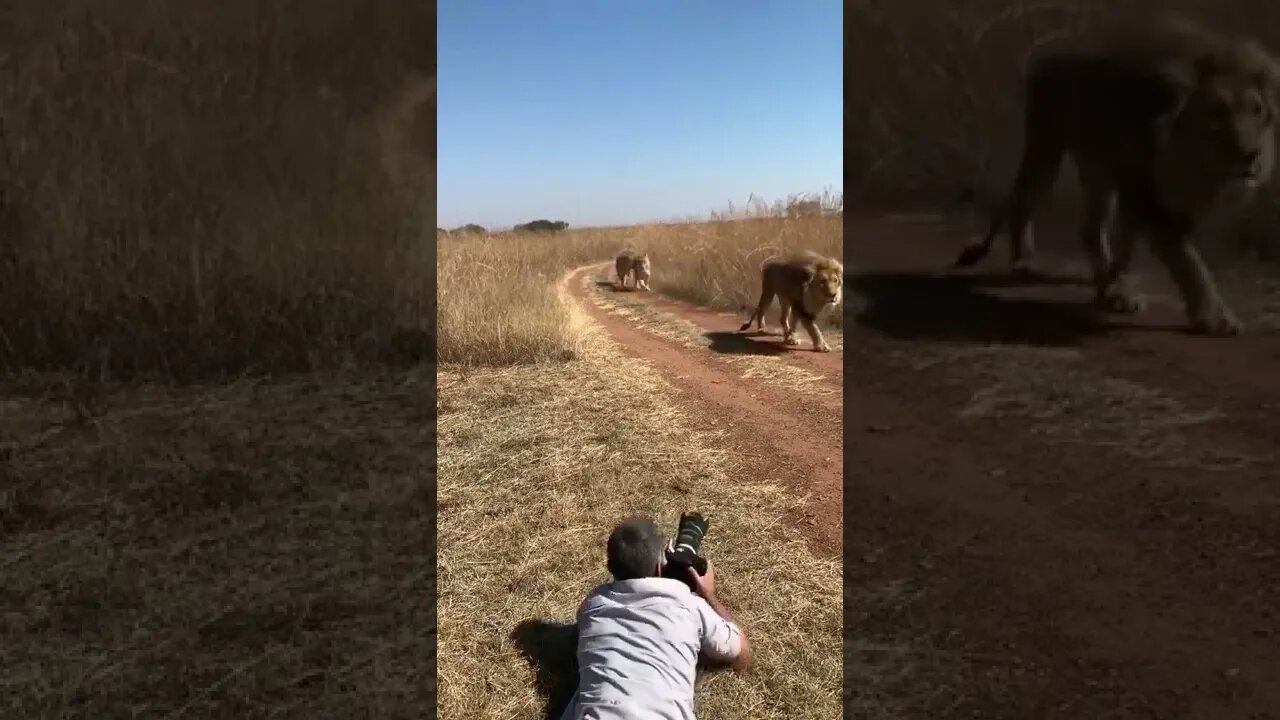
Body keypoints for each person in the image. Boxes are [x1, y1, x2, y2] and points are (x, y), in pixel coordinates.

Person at [559, 517, 752, 720]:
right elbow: (742, 655)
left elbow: (582, 617)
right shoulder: (688, 604)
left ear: (610, 567)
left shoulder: (594, 605)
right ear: (660, 566)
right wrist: (708, 596)